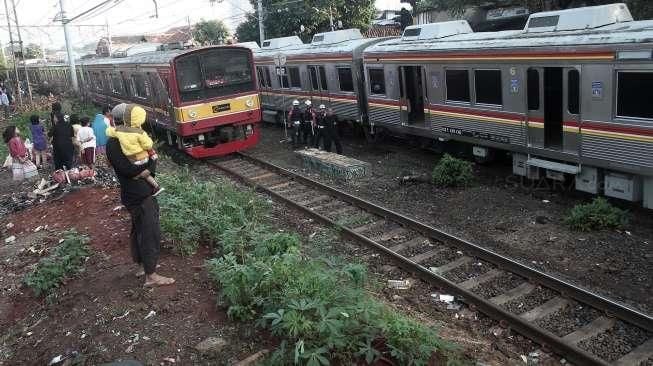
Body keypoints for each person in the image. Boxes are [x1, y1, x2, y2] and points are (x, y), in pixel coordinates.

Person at [106, 103, 174, 287]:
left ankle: (142, 266)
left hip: (132, 192)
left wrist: (143, 171)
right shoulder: (118, 142)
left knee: (138, 230)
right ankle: (151, 275)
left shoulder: (115, 141)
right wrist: (148, 169)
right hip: (140, 194)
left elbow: (139, 168)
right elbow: (133, 168)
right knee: (150, 231)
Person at [106, 104, 163, 196]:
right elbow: (152, 156)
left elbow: (127, 169)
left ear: (113, 120)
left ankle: (155, 187)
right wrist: (149, 167)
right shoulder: (116, 142)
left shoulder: (112, 142)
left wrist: (148, 168)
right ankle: (156, 186)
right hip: (139, 196)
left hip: (137, 194)